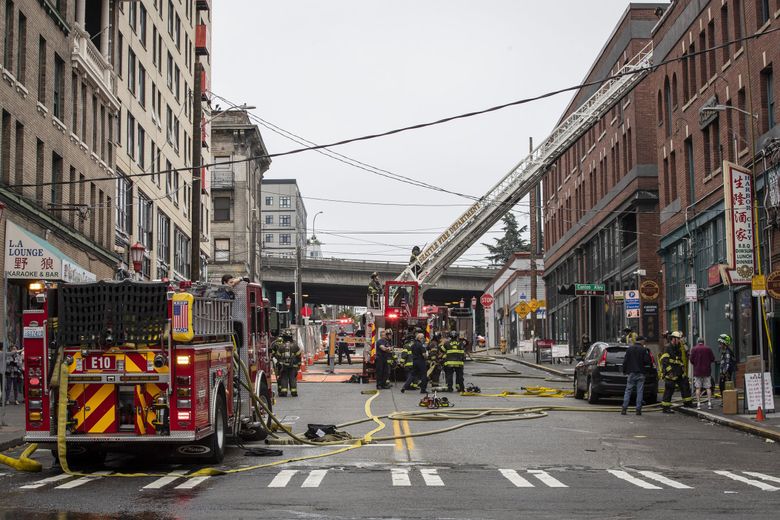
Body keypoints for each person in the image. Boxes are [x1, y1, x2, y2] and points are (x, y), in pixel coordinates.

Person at [659, 331, 693, 413]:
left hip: (679, 371)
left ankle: (687, 403)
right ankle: (666, 407)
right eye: (678, 339)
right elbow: (664, 361)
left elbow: (680, 359)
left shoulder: (678, 347)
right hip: (671, 373)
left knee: (685, 385)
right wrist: (669, 371)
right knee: (669, 389)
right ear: (673, 339)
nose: (679, 340)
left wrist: (682, 368)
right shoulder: (668, 348)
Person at [621, 336, 652, 415]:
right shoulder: (643, 350)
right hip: (641, 373)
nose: (644, 342)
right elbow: (647, 361)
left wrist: (624, 371)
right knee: (640, 391)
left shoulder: (629, 349)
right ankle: (638, 410)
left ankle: (624, 408)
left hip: (631, 373)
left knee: (628, 390)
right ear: (641, 341)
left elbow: (625, 361)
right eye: (644, 341)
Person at [271, 329, 302, 397]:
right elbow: (299, 356)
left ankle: (284, 392)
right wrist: (299, 365)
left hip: (284, 366)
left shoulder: (281, 346)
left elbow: (278, 357)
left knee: (284, 378)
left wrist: (279, 364)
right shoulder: (295, 346)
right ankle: (294, 391)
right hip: (293, 366)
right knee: (292, 378)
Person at [689, 337, 716, 410]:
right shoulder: (708, 349)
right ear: (703, 342)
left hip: (697, 371)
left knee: (698, 388)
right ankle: (709, 403)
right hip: (707, 371)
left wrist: (696, 364)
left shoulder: (694, 349)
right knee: (708, 387)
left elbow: (691, 360)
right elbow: (713, 359)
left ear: (697, 342)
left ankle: (698, 404)